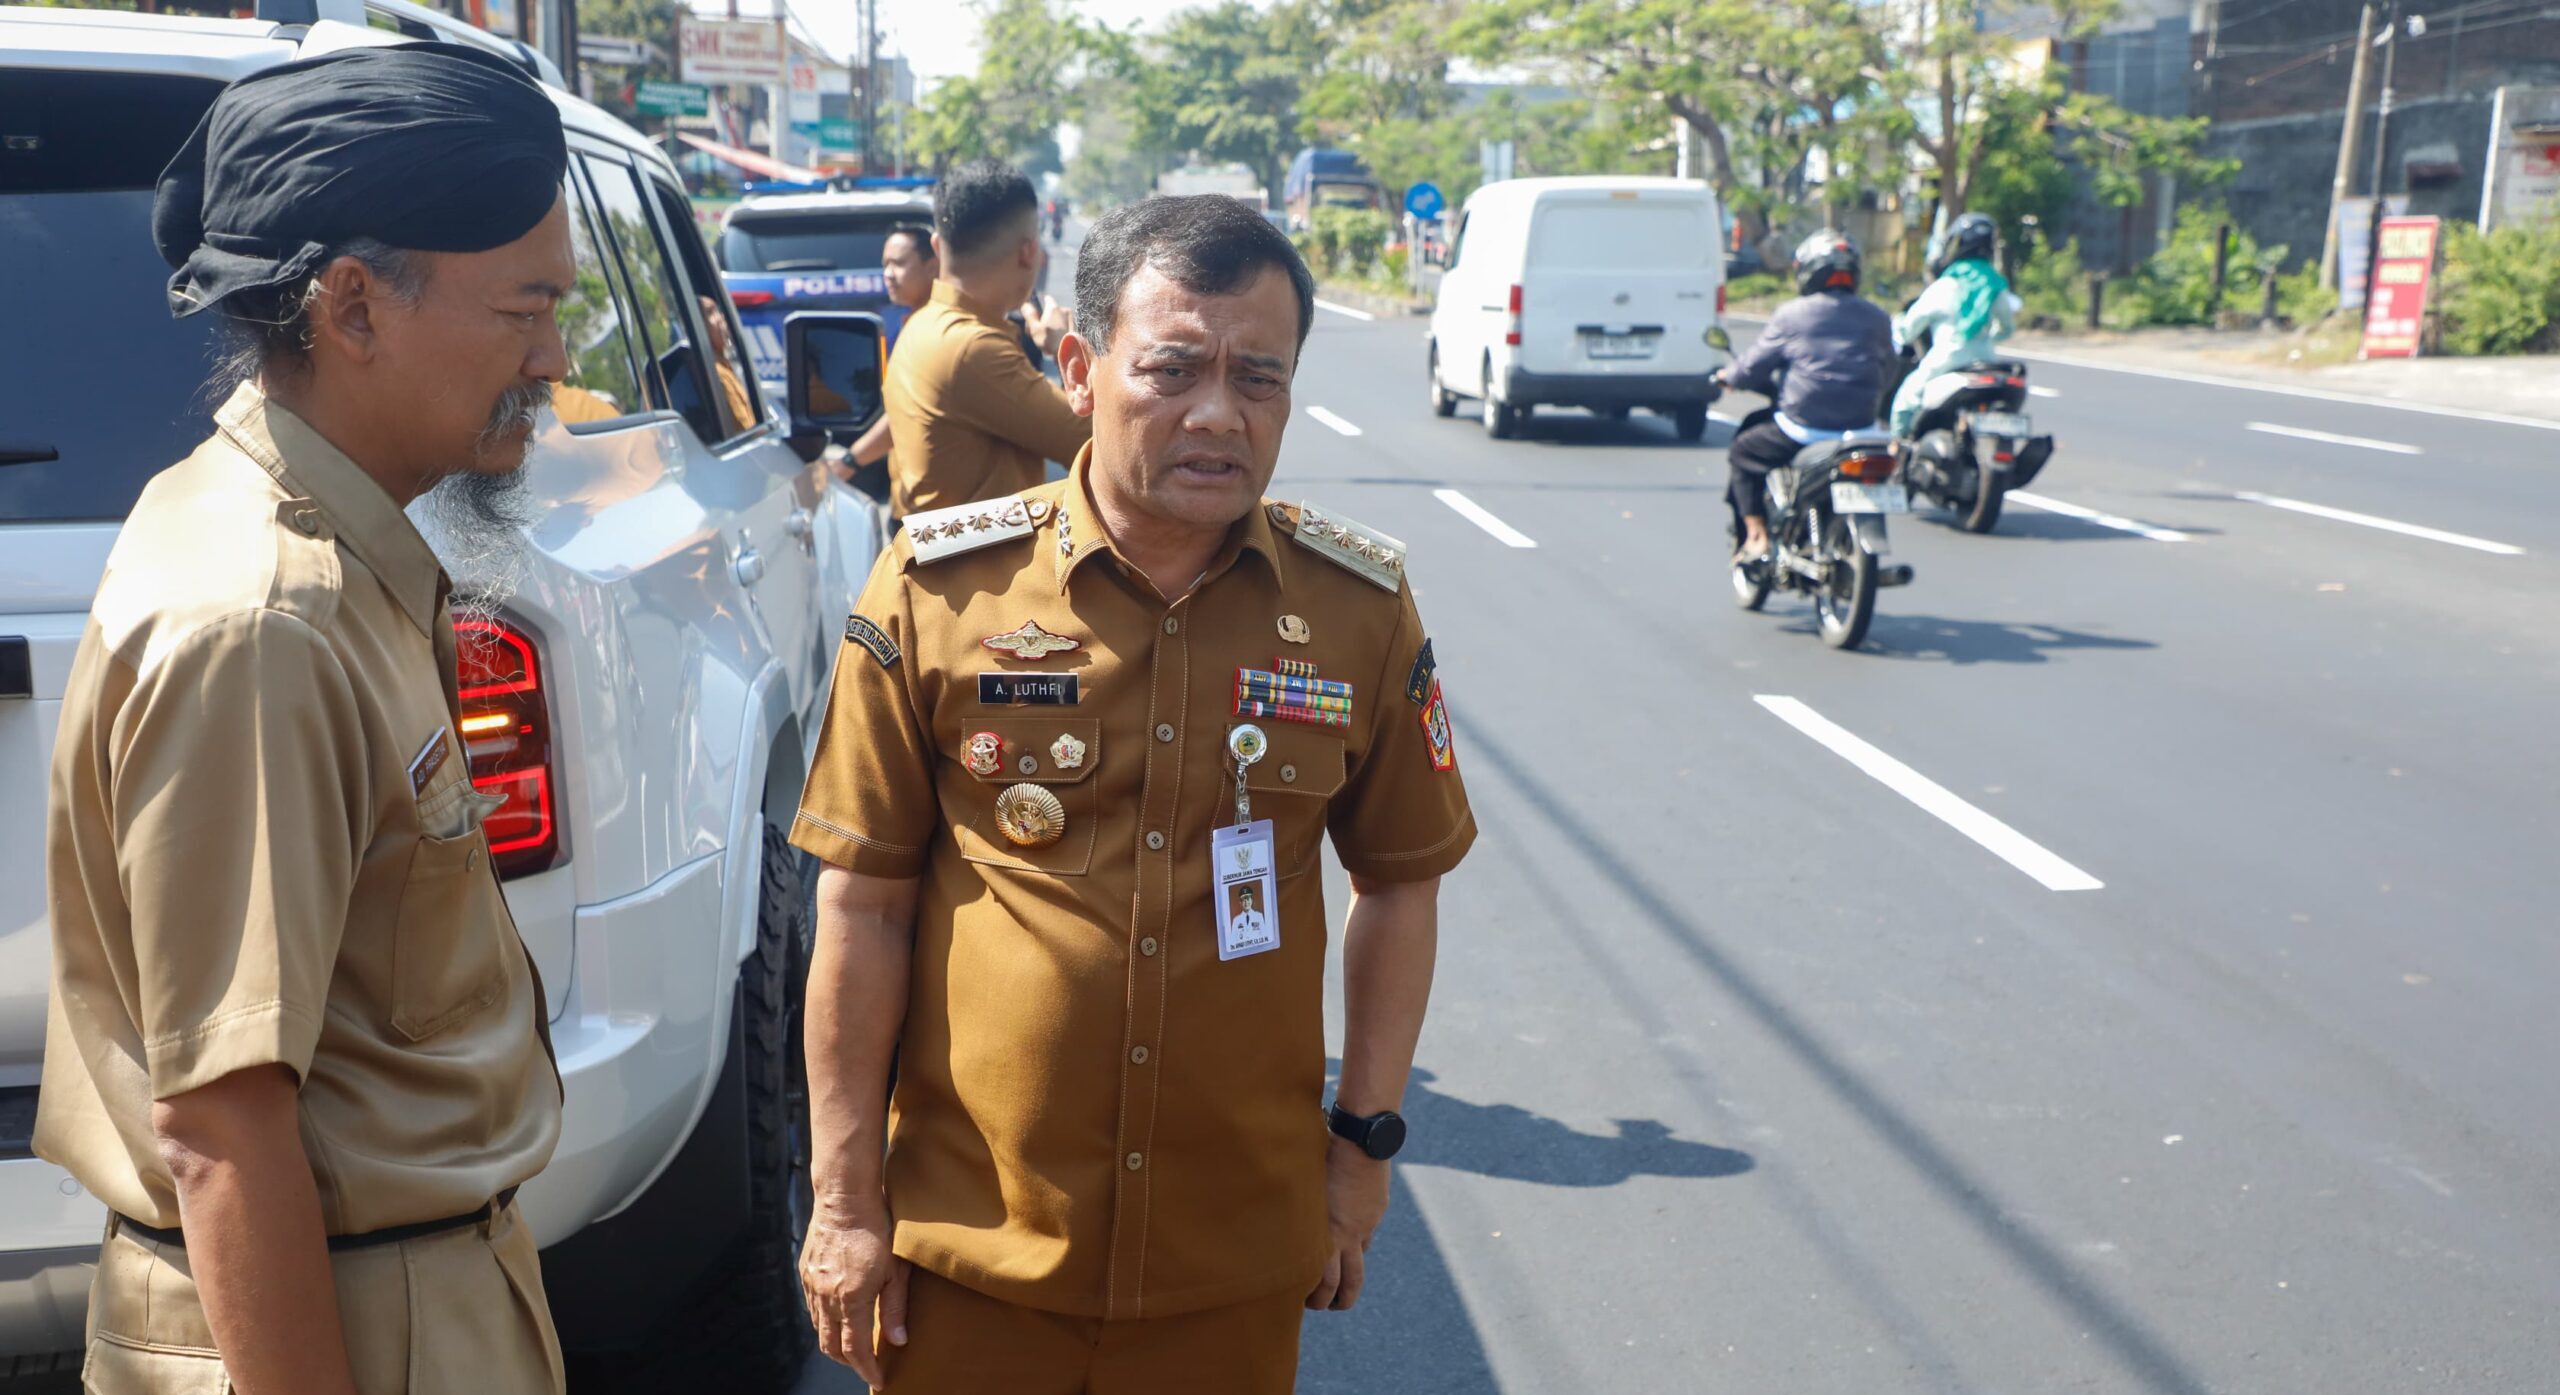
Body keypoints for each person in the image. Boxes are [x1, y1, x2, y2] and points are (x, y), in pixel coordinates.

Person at [792, 193, 1474, 1393]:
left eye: (1259, 379)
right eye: (1173, 369)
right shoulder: (939, 590)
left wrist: (1363, 1153)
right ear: (1079, 366)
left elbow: (1400, 888)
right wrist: (844, 1205)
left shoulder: (1357, 612)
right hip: (970, 1262)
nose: (1219, 413)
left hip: (1230, 1268)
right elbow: (862, 908)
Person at [37, 43, 569, 1395]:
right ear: (351, 306)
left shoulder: (314, 539)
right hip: (337, 1322)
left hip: (411, 1287)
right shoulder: (265, 616)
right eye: (525, 308)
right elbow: (221, 1123)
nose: (554, 355)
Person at [881, 159, 1090, 521]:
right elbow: (1105, 443)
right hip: (978, 573)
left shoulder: (923, 324)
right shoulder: (973, 348)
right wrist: (1070, 354)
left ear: (936, 245)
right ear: (1028, 253)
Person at [1715, 229, 1895, 559]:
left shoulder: (1792, 314)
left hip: (1803, 428)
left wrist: (1729, 377)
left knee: (1743, 451)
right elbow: (1890, 369)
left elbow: (1751, 367)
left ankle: (1755, 536)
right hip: (1863, 430)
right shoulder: (1878, 317)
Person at [1890, 211, 2020, 437]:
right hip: (1987, 361)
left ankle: (1897, 451)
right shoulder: (1996, 285)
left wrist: (1900, 328)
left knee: (1904, 404)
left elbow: (1909, 329)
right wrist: (1989, 338)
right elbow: (2007, 327)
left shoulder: (1945, 285)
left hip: (1946, 360)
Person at [843, 221, 940, 481]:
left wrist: (848, 463)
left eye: (898, 263)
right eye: (885, 264)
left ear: (932, 266)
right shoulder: (917, 322)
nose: (888, 273)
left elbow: (901, 415)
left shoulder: (934, 330)